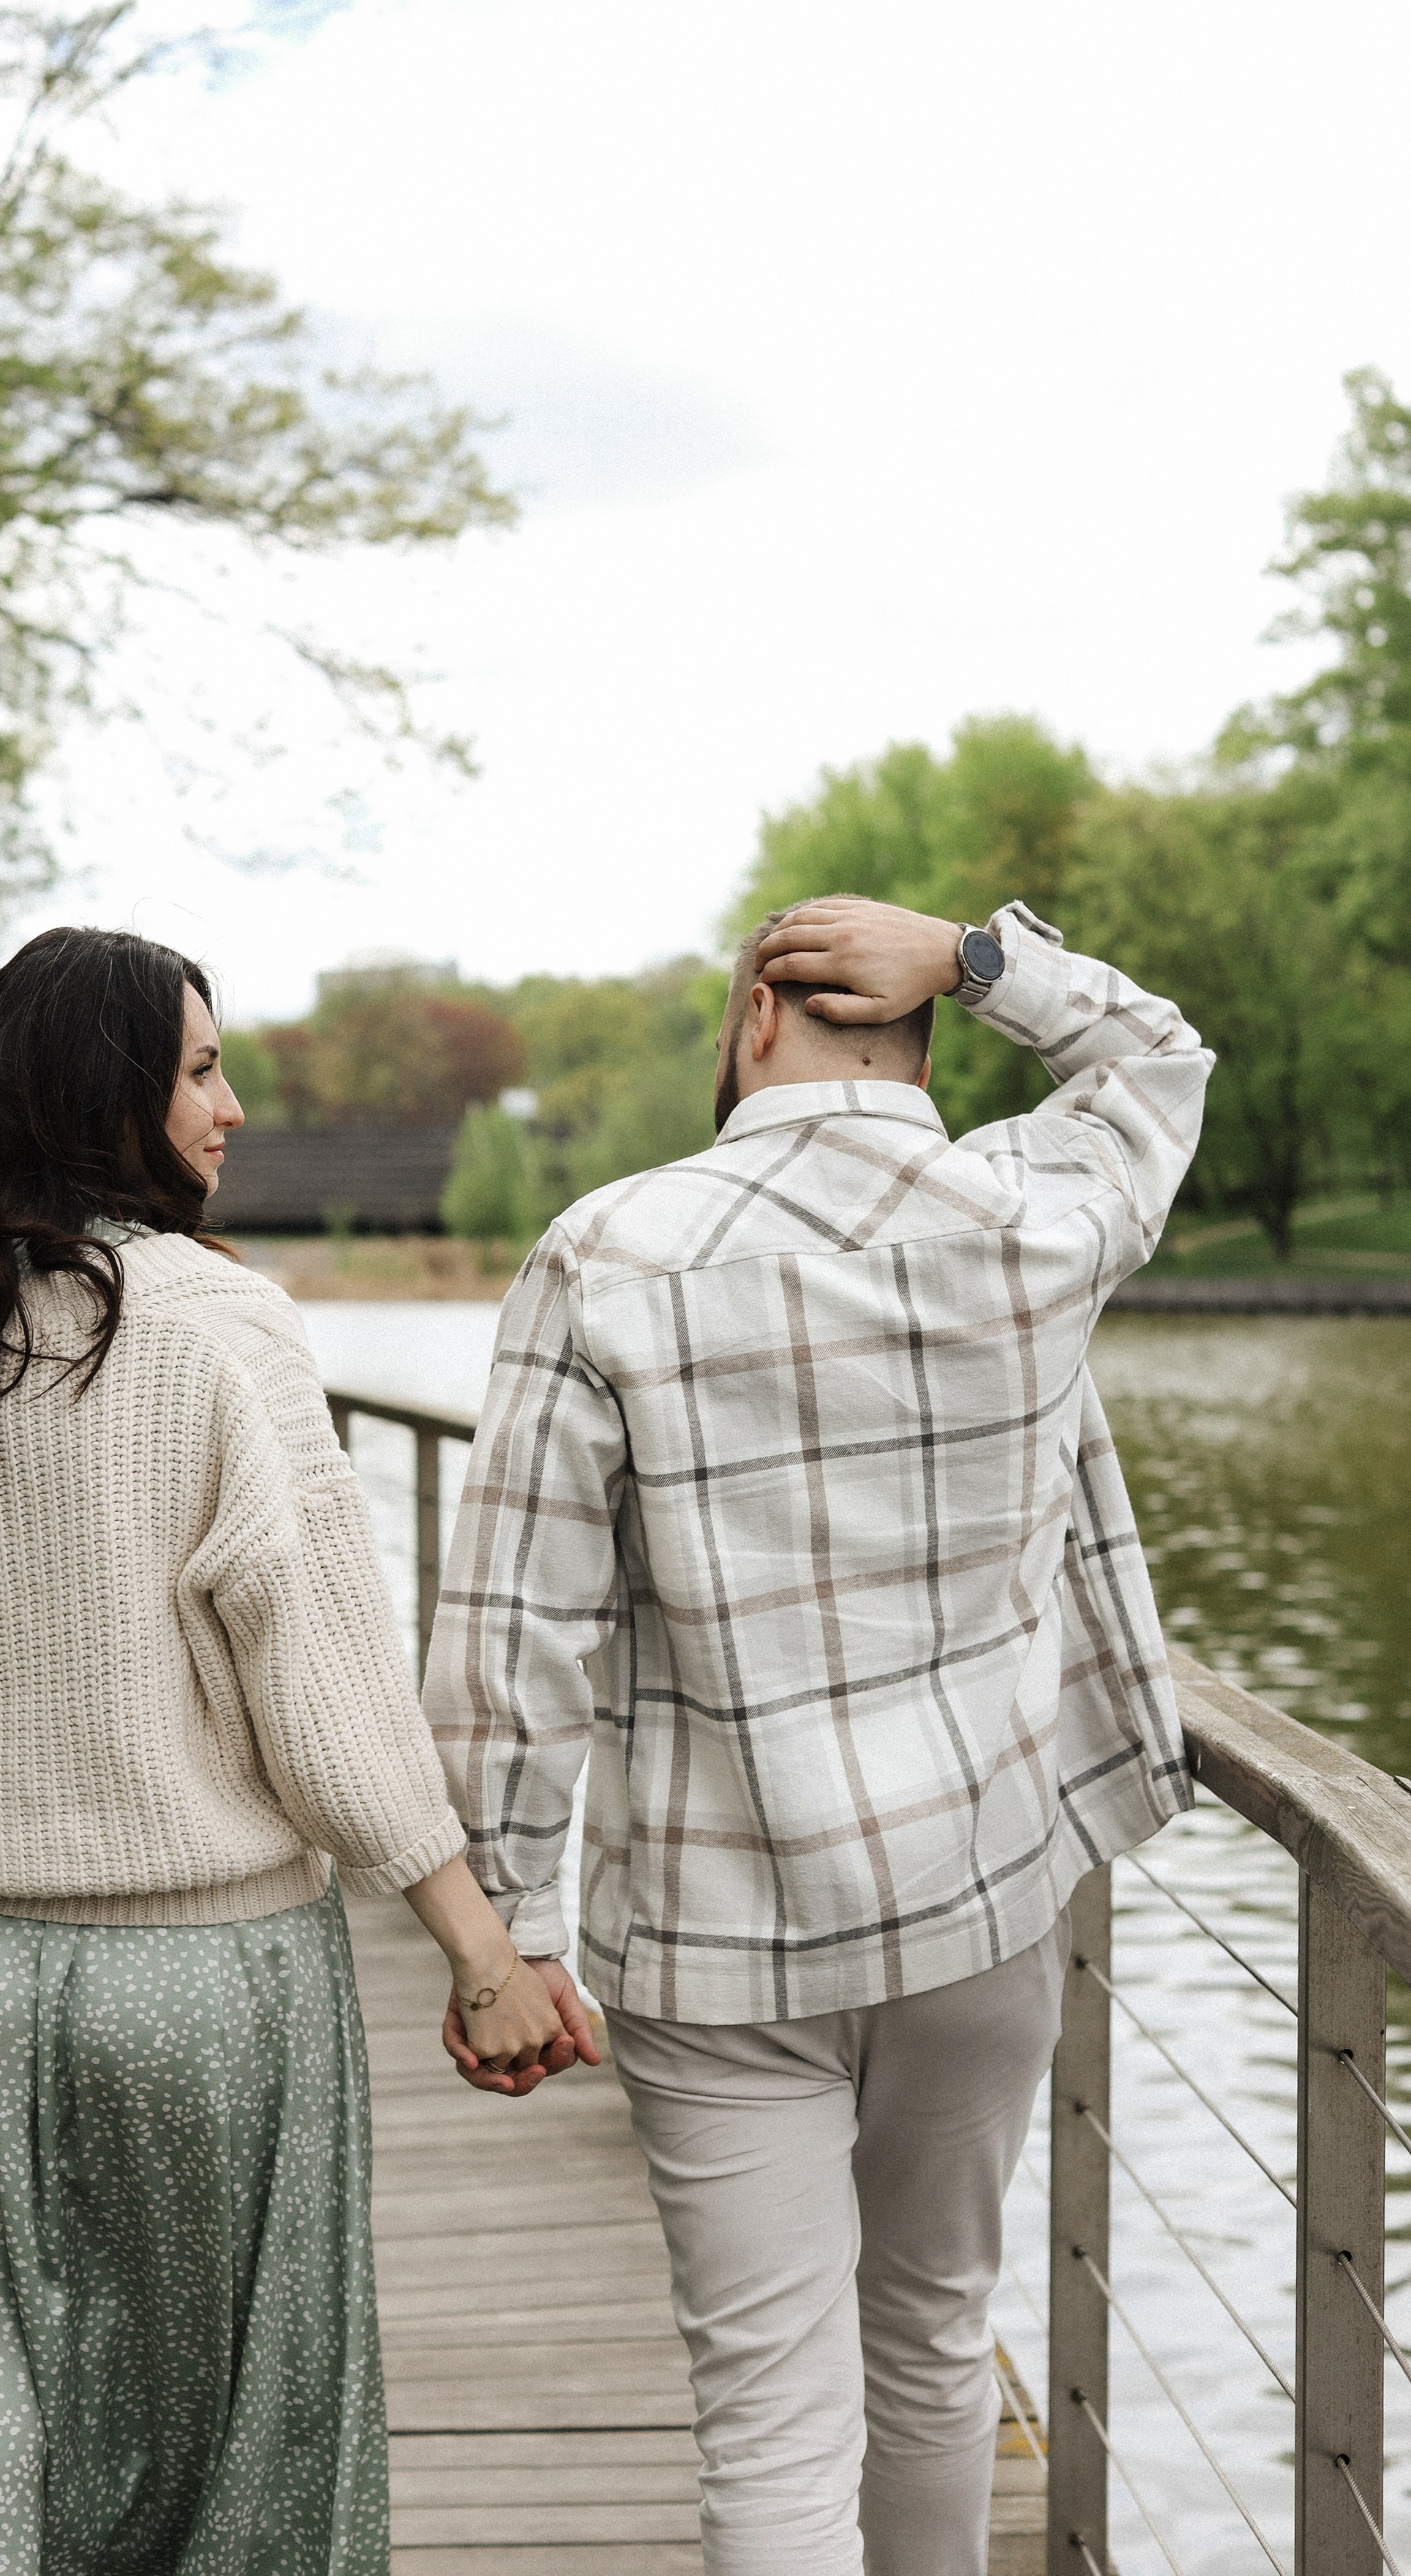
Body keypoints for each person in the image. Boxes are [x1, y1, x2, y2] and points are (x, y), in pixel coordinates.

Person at [0, 925, 588, 2576]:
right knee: (248, 2476)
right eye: (198, 1069)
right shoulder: (214, 1327)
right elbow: (322, 1692)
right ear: (104, 1096)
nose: (234, 1106)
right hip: (207, 1984)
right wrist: (481, 1954)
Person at [422, 893, 1213, 2576]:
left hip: (713, 1933)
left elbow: (513, 1637)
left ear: (753, 1027)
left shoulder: (605, 1249)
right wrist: (982, 958)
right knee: (931, 2350)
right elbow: (1154, 1057)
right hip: (978, 1903)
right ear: (923, 1027)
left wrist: (505, 1928)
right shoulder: (1031, 1216)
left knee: (769, 2414)